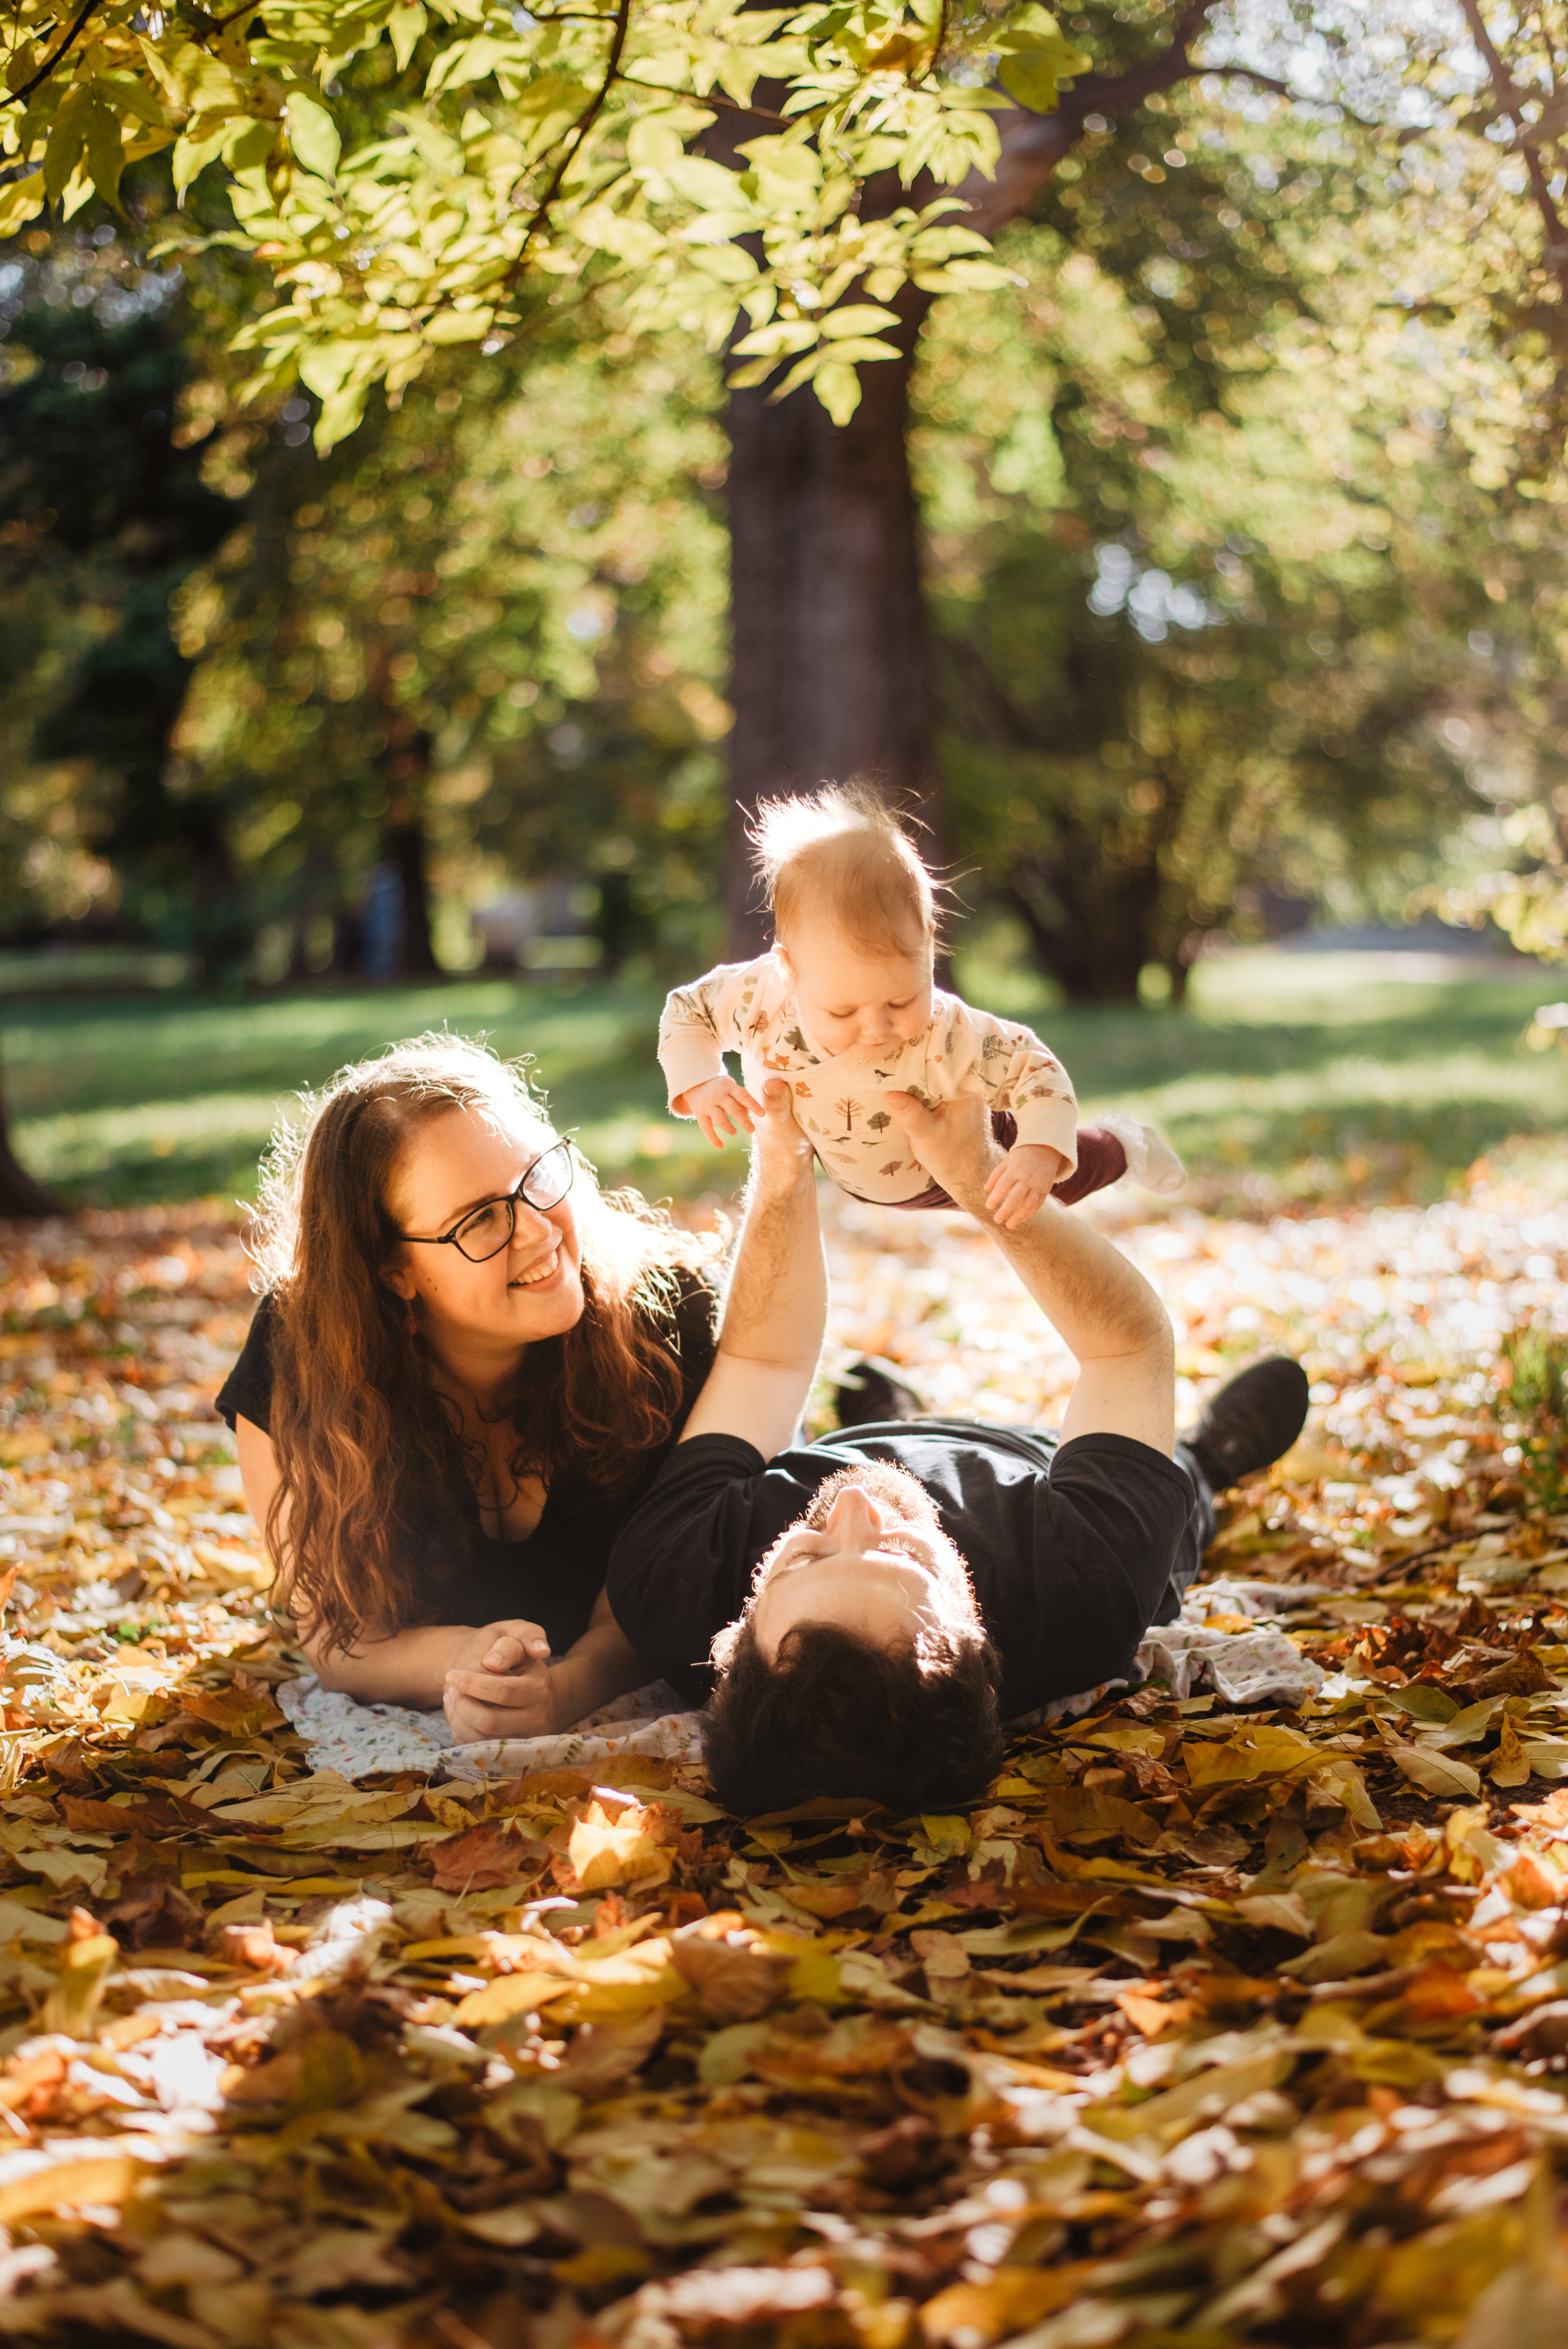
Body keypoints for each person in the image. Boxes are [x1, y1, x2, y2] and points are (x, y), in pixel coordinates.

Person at [605, 1079, 1309, 1815]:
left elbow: (763, 1363)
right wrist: (981, 1174)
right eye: (905, 1555)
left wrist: (783, 1162)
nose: (850, 1507)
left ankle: (905, 1417)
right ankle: (1213, 1457)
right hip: (1046, 1467)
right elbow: (1125, 1348)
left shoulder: (671, 1578)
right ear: (980, 1643)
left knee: (861, 1444)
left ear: (730, 1638)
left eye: (805, 1555)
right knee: (1175, 1498)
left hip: (860, 1442)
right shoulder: (1085, 1585)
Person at [218, 1035, 719, 1744]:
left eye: (540, 1176)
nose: (541, 1230)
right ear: (392, 1273)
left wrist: (573, 1687)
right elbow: (336, 1637)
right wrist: (463, 1660)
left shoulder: (674, 1322)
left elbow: (679, 1588)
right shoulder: (299, 1354)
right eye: (481, 1217)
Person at [657, 784, 1183, 1228]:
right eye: (842, 1012)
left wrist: (1037, 1153)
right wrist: (701, 1079)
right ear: (789, 971)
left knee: (1044, 1196)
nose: (877, 1028)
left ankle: (1125, 1147)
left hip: (961, 1155)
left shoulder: (948, 1032)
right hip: (861, 1177)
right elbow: (689, 1011)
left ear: (930, 947)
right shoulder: (759, 995)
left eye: (901, 999)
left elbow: (1034, 1070)